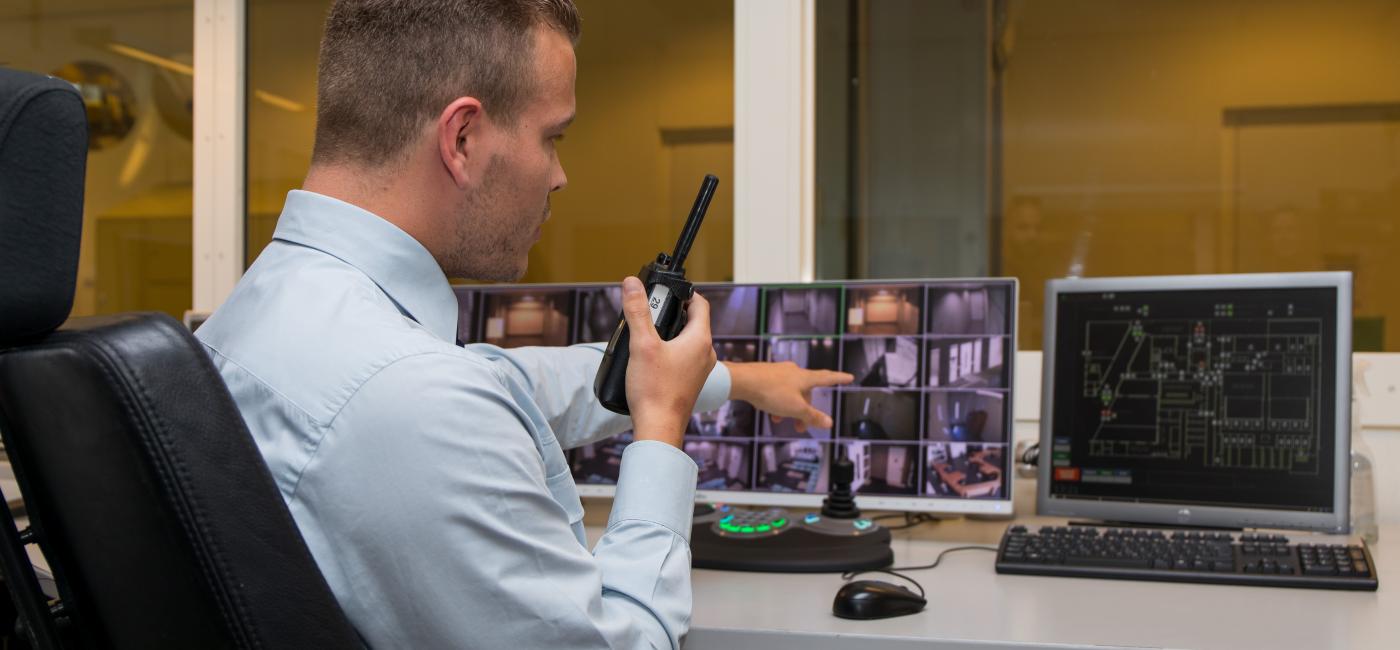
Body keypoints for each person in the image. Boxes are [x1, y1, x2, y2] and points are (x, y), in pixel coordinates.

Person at [194, 1, 851, 648]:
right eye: (552, 137)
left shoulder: (266, 310)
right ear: (463, 139)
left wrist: (732, 379)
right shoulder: (409, 398)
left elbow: (507, 381)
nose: (559, 177)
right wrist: (659, 430)